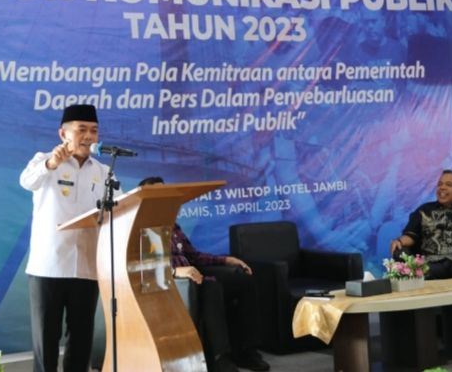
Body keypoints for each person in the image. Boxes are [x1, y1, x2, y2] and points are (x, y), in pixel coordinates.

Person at [20, 104, 120, 372]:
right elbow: (27, 181)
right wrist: (51, 164)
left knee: (80, 342)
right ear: (63, 134)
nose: (88, 136)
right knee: (46, 341)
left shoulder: (104, 172)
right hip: (48, 266)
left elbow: (119, 209)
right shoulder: (44, 161)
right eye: (81, 130)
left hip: (87, 266)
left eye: (94, 131)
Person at [138, 176, 270, 372]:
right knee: (212, 287)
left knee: (243, 280)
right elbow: (146, 268)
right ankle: (220, 358)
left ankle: (246, 351)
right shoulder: (144, 228)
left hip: (195, 274)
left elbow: (195, 257)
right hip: (173, 283)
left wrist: (226, 260)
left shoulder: (173, 225)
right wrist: (175, 271)